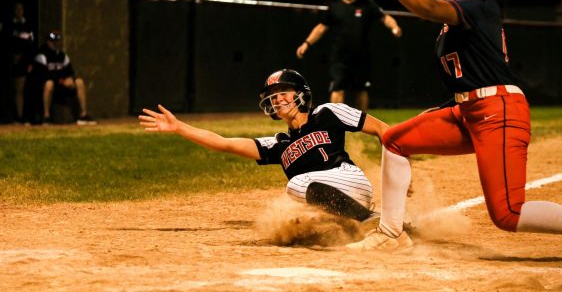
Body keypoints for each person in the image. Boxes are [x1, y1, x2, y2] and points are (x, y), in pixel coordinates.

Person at [337, 0, 562, 250]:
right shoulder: (468, 12)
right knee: (396, 140)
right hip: (471, 109)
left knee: (507, 213)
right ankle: (390, 234)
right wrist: (443, 110)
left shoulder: (479, 4)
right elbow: (473, 73)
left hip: (497, 110)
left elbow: (427, 9)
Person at [139, 68, 393, 230]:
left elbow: (383, 130)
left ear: (301, 94)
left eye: (284, 91)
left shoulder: (326, 113)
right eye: (273, 95)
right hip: (337, 202)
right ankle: (381, 225)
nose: (277, 98)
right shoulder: (278, 144)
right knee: (309, 218)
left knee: (295, 186)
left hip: (349, 179)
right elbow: (225, 143)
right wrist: (179, 127)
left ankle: (369, 219)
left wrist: (400, 172)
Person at [296, 0, 402, 112]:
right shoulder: (335, 7)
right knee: (337, 89)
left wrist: (394, 27)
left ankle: (362, 123)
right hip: (340, 58)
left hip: (361, 58)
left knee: (361, 91)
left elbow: (385, 17)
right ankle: (336, 122)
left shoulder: (367, 4)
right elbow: (321, 28)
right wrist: (306, 43)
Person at [34, 31, 97, 125]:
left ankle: (83, 115)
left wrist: (70, 79)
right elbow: (43, 75)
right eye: (52, 41)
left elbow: (70, 71)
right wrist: (62, 81)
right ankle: (46, 116)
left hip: (61, 86)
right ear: (47, 42)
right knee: (49, 84)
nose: (55, 43)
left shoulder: (62, 56)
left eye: (57, 41)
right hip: (46, 86)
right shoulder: (42, 56)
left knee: (79, 82)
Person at [7, 2, 36, 124]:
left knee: (22, 90)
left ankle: (23, 116)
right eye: (16, 9)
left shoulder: (28, 26)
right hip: (11, 63)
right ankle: (15, 116)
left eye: (21, 9)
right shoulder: (10, 25)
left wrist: (29, 62)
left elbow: (31, 46)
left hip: (25, 63)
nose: (19, 11)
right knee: (14, 90)